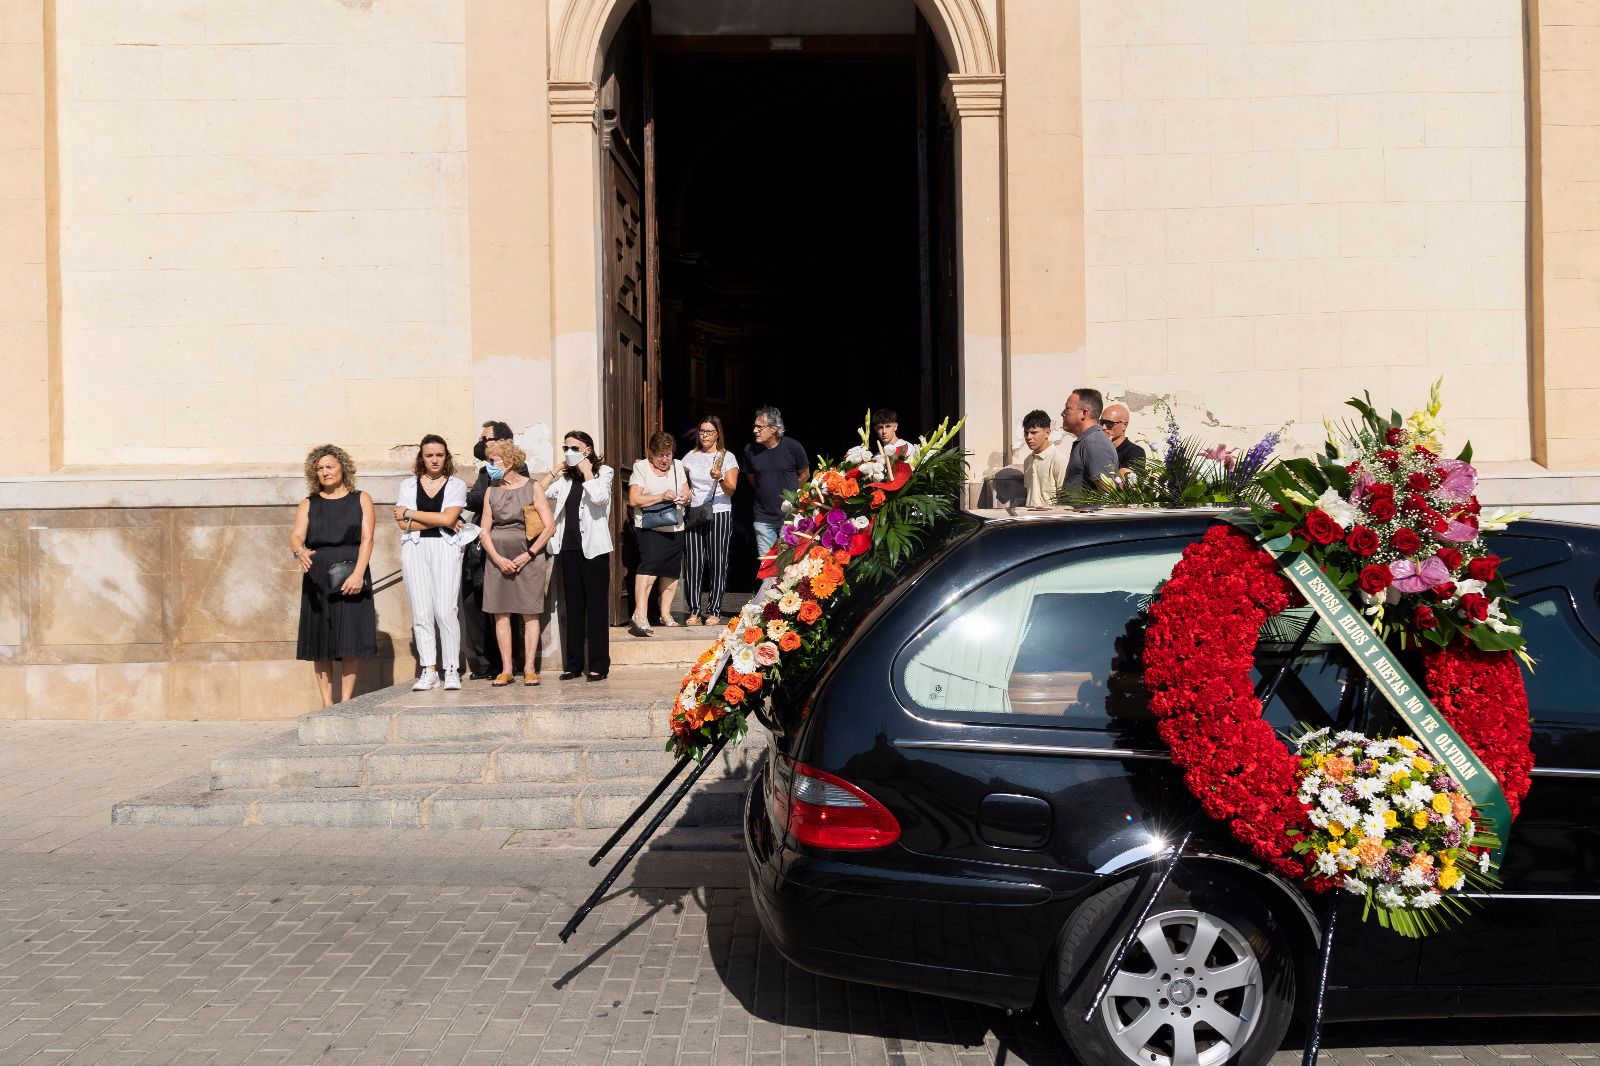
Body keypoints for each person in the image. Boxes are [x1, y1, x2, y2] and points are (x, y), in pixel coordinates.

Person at [291, 444, 377, 708]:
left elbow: (367, 538)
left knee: (350, 639)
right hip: (317, 576)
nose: (325, 472)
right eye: (319, 468)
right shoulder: (309, 503)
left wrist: (358, 573)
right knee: (321, 641)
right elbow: (296, 536)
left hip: (351, 572)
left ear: (342, 468)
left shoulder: (361, 498)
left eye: (329, 466)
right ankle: (327, 704)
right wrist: (299, 550)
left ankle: (346, 701)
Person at [395, 434, 468, 691]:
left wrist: (412, 513)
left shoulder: (456, 485)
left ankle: (451, 669)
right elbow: (402, 523)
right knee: (421, 611)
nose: (434, 460)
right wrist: (434, 518)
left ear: (446, 457)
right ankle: (428, 669)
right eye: (429, 455)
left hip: (445, 548)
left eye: (439, 455)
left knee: (445, 610)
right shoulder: (408, 485)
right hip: (415, 548)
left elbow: (449, 520)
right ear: (422, 458)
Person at [479, 440, 554, 686]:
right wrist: (498, 559)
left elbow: (549, 526)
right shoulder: (492, 490)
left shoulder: (532, 487)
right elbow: (484, 530)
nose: (489, 465)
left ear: (509, 462)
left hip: (528, 557)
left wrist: (529, 554)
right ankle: (507, 669)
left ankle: (530, 668)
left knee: (530, 614)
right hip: (498, 558)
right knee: (501, 614)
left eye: (493, 461)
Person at [544, 430, 614, 682]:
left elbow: (600, 498)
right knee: (573, 608)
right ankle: (572, 665)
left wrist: (586, 472)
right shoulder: (564, 479)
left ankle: (598, 665)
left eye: (573, 448)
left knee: (596, 609)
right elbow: (539, 493)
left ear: (587, 450)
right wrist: (556, 469)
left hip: (594, 550)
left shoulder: (603, 472)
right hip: (569, 548)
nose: (568, 452)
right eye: (565, 448)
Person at [461, 420, 521, 679]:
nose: (480, 444)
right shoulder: (487, 469)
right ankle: (485, 663)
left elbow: (477, 498)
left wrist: (467, 494)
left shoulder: (515, 468)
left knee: (503, 606)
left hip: (503, 545)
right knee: (474, 600)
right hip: (480, 543)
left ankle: (505, 663)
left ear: (501, 442)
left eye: (485, 439)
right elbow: (474, 498)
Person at [627, 430, 691, 635]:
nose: (665, 459)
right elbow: (634, 500)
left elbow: (687, 492)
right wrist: (661, 496)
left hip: (675, 526)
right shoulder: (641, 467)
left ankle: (666, 614)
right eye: (661, 455)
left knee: (671, 572)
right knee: (649, 568)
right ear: (651, 453)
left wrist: (684, 498)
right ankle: (641, 614)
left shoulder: (678, 466)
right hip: (649, 527)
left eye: (668, 454)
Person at [681, 415, 739, 627]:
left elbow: (731, 490)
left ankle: (714, 609)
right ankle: (694, 611)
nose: (704, 435)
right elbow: (680, 480)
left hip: (719, 511)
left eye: (709, 432)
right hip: (695, 511)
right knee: (694, 562)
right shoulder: (690, 457)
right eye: (702, 431)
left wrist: (720, 478)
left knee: (717, 561)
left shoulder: (727, 457)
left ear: (718, 434)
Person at [743, 405, 810, 562]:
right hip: (763, 518)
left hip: (789, 517)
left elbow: (805, 474)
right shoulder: (749, 450)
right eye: (754, 426)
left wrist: (792, 497)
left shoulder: (793, 447)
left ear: (773, 429)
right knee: (768, 567)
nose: (755, 430)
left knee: (790, 567)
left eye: (759, 427)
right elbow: (752, 479)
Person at [1060, 387, 1119, 497]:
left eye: (1067, 409)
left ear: (1084, 413)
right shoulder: (1089, 441)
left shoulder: (1095, 443)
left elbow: (1106, 496)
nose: (1062, 413)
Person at [1020, 409, 1069, 508]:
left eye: (1034, 433)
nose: (1028, 437)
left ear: (1047, 433)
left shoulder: (1058, 459)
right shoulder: (1028, 461)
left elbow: (1065, 498)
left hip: (1050, 520)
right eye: (1026, 433)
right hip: (1029, 519)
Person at [1101, 402, 1145, 474]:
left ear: (1124, 425)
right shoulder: (1096, 447)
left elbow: (1124, 483)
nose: (1103, 427)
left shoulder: (1135, 452)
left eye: (1109, 423)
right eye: (1102, 422)